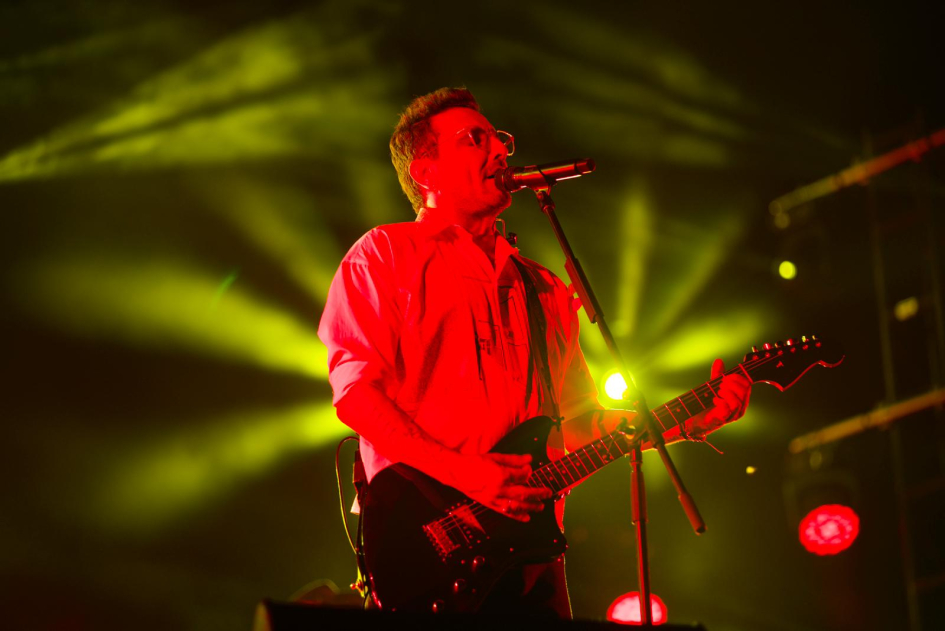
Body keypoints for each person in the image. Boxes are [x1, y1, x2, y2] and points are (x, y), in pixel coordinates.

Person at [317, 87, 751, 618]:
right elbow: (357, 396)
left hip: (532, 557)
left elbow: (578, 423)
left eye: (499, 139)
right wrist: (467, 473)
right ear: (425, 173)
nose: (500, 150)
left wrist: (681, 422)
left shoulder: (542, 287)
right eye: (474, 139)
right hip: (428, 542)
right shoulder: (385, 254)